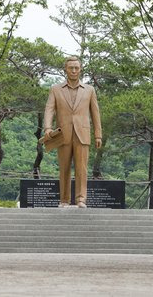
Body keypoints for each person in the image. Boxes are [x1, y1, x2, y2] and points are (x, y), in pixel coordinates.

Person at [44, 56, 102, 208]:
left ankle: (81, 199)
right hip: (63, 134)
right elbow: (49, 109)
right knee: (64, 168)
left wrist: (98, 134)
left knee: (81, 168)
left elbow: (95, 113)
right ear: (66, 70)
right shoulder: (55, 89)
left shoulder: (89, 90)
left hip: (82, 134)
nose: (74, 70)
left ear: (80, 69)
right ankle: (64, 200)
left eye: (76, 68)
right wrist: (48, 128)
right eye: (71, 68)